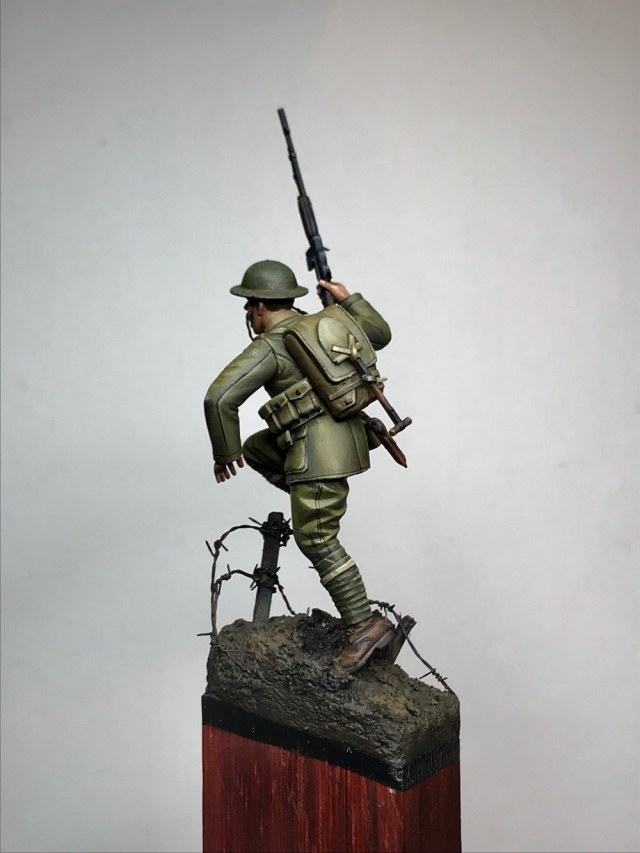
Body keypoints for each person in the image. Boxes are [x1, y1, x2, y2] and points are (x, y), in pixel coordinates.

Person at [204, 259, 395, 674]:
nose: (248, 314)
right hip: (352, 437)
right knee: (258, 448)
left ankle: (365, 624)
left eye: (249, 306)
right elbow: (380, 334)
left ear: (260, 306)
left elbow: (218, 399)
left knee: (317, 538)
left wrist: (223, 454)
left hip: (318, 454)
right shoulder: (328, 322)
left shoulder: (272, 345)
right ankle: (310, 502)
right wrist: (350, 301)